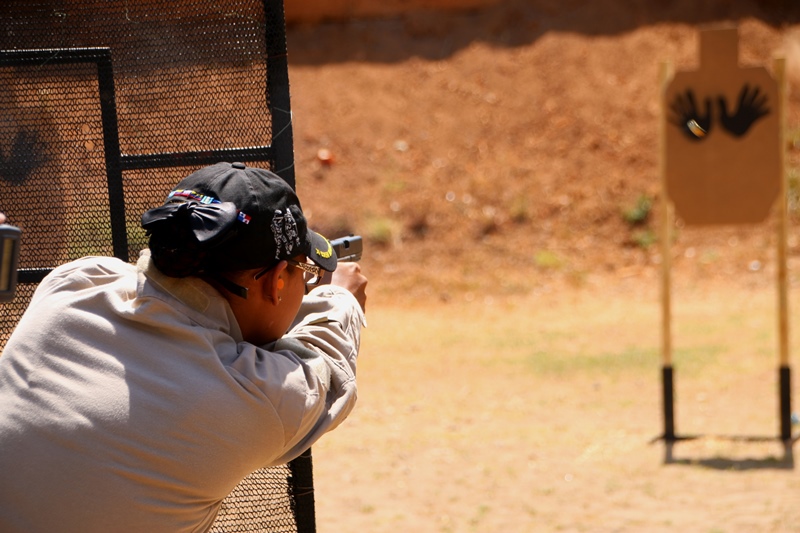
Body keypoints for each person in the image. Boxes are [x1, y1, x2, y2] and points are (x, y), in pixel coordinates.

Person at [0, 162, 368, 532]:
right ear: (276, 284)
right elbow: (328, 370)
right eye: (303, 275)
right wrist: (340, 297)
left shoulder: (73, 283)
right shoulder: (252, 395)